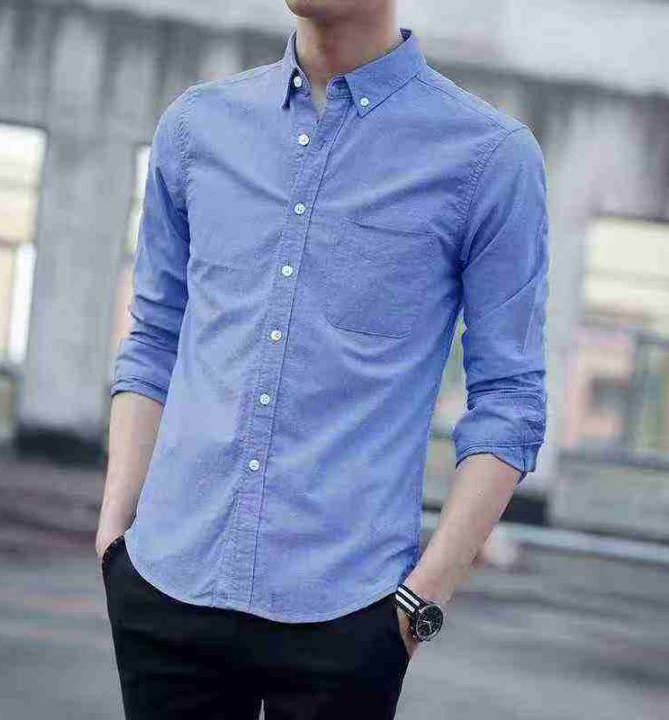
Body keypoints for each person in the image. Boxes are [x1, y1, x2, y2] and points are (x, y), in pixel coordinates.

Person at [95, 1, 550, 717]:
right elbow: (154, 336)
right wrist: (116, 534)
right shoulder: (196, 128)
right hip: (167, 588)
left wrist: (418, 604)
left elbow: (510, 400)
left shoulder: (488, 159)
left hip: (349, 618)